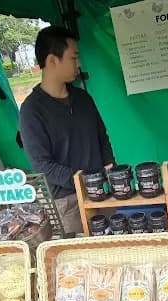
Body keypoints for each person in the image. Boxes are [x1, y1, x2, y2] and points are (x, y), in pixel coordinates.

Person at [19, 26, 115, 235]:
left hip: (102, 193)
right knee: (84, 261)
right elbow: (42, 165)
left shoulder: (83, 99)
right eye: (74, 58)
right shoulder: (32, 110)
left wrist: (109, 170)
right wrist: (85, 180)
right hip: (68, 203)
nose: (78, 64)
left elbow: (102, 138)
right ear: (53, 60)